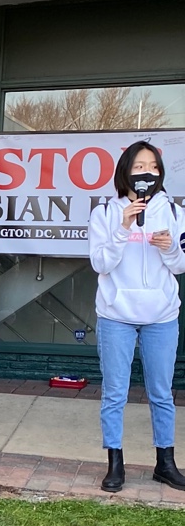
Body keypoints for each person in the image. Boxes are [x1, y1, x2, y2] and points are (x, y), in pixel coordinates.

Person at [88, 140, 185, 493]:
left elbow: (181, 265)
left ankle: (166, 462)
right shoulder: (105, 212)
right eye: (140, 166)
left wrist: (171, 248)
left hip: (161, 316)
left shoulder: (174, 212)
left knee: (161, 392)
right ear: (126, 170)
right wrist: (122, 229)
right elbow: (100, 264)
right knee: (115, 392)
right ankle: (115, 462)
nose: (147, 172)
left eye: (154, 167)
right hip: (116, 315)